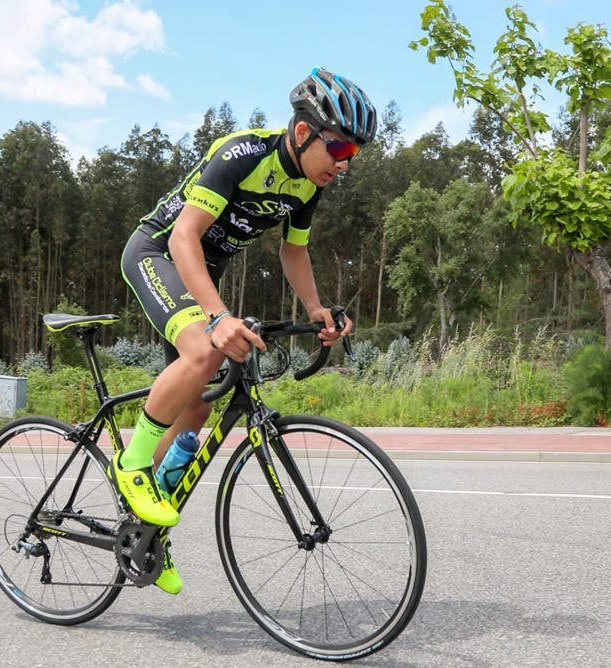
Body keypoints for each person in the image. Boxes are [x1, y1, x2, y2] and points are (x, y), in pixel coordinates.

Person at [112, 67, 376, 594]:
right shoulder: (241, 154)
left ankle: (145, 530)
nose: (345, 165)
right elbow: (186, 236)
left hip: (201, 271)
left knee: (200, 404)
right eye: (341, 151)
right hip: (160, 252)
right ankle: (132, 463)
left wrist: (317, 308)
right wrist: (216, 318)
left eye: (355, 157)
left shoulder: (309, 183)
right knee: (204, 352)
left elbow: (293, 249)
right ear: (303, 133)